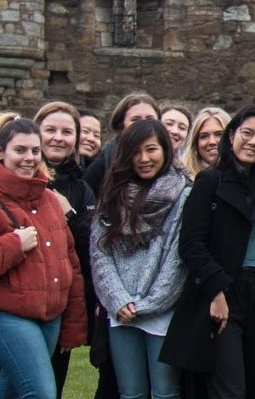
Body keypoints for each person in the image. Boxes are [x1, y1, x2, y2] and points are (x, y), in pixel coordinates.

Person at [162, 104, 255, 398]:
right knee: (230, 389)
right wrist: (217, 292)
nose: (252, 142)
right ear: (232, 136)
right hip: (225, 294)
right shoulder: (210, 181)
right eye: (246, 133)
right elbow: (191, 245)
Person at [90, 119, 191, 399]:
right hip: (121, 310)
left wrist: (151, 303)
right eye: (136, 152)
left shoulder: (183, 194)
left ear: (165, 150)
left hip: (163, 310)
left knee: (165, 392)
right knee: (131, 393)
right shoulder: (111, 195)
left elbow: (177, 257)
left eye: (151, 150)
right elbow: (100, 253)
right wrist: (118, 299)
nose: (144, 159)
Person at [0, 118, 88, 399]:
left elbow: (70, 264)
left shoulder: (51, 199)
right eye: (20, 150)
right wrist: (15, 243)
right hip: (10, 315)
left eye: (35, 151)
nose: (29, 158)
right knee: (41, 393)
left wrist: (73, 324)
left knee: (11, 392)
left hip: (51, 316)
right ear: (2, 153)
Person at [33, 100, 98, 393]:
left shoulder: (81, 189)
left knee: (53, 385)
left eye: (66, 131)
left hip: (61, 303)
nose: (58, 137)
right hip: (18, 300)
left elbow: (92, 247)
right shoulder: (16, 178)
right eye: (50, 130)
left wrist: (69, 214)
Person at [84, 93, 160, 192]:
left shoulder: (171, 166)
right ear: (121, 125)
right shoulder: (103, 165)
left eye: (150, 119)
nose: (143, 124)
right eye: (135, 120)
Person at [182, 107, 232, 180]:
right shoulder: (182, 181)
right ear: (196, 144)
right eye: (204, 136)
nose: (212, 142)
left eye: (219, 135)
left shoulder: (248, 177)